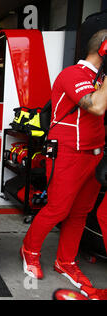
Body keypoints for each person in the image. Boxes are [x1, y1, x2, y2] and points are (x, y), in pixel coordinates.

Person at [20, 30, 107, 290]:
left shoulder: (99, 79)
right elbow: (96, 106)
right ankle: (29, 250)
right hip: (68, 153)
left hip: (94, 155)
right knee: (58, 208)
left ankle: (66, 261)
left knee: (80, 212)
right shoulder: (73, 74)